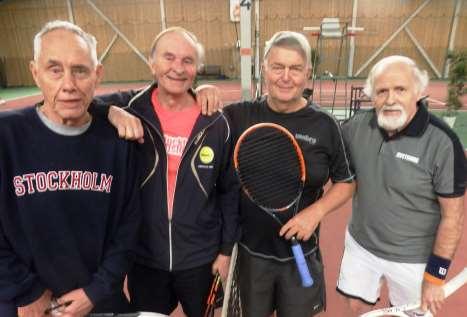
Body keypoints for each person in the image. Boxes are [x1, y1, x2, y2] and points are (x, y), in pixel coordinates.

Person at [0, 20, 141, 317]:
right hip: (25, 306)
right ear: (35, 73)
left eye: (80, 70)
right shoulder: (6, 137)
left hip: (99, 302)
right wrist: (27, 292)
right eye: (55, 70)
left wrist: (96, 291)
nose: (68, 85)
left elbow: (128, 229)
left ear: (97, 75)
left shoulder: (119, 142)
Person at [97, 27, 240, 317]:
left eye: (187, 60)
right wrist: (110, 112)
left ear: (197, 68)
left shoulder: (216, 122)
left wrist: (225, 251)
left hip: (201, 259)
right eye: (169, 57)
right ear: (152, 63)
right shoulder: (131, 108)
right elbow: (80, 101)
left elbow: (229, 191)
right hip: (145, 257)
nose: (177, 68)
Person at [222, 31, 355, 317]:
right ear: (264, 70)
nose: (285, 76)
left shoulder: (325, 125)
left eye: (295, 68)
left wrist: (315, 213)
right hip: (250, 255)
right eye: (277, 67)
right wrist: (203, 92)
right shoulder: (238, 116)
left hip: (300, 256)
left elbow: (346, 182)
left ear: (307, 73)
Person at [337, 55, 466, 316]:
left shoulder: (443, 143)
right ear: (372, 96)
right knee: (354, 308)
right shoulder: (357, 127)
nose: (390, 99)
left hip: (414, 259)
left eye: (400, 89)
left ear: (418, 92)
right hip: (361, 246)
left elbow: (453, 218)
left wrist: (435, 277)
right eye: (382, 91)